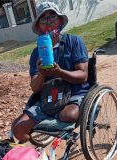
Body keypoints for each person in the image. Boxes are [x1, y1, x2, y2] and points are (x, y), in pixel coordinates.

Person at [11, 2, 90, 142]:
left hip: (74, 92)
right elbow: (35, 88)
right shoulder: (37, 53)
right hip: (49, 97)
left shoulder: (74, 42)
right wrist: (41, 73)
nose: (49, 23)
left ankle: (54, 123)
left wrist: (59, 72)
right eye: (43, 19)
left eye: (52, 17)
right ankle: (38, 154)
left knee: (69, 115)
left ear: (60, 20)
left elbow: (83, 76)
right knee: (18, 129)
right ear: (39, 26)